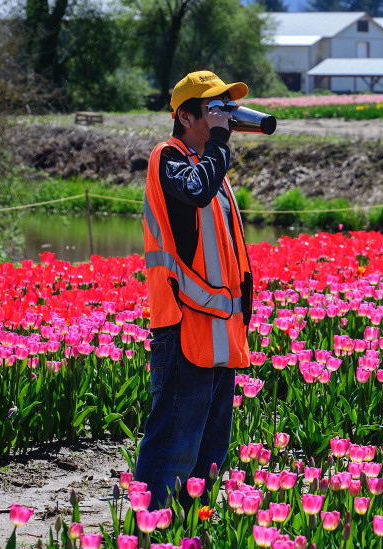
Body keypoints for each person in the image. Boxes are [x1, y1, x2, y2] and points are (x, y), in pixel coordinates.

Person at [135, 70, 254, 514]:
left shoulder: (214, 171)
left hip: (222, 329)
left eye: (228, 105)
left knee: (210, 452)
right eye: (214, 107)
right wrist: (221, 145)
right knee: (173, 444)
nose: (225, 114)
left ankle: (188, 537)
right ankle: (147, 537)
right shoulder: (168, 158)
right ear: (185, 116)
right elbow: (194, 192)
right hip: (185, 325)